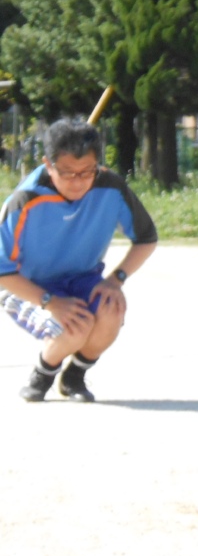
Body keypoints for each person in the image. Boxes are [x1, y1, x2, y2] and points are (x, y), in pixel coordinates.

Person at [0, 118, 157, 402]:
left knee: (111, 309)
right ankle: (42, 374)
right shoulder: (24, 199)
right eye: (67, 173)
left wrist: (116, 279)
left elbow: (146, 238)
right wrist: (50, 301)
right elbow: (3, 271)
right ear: (48, 165)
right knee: (75, 326)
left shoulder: (111, 187)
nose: (78, 182)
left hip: (82, 278)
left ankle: (74, 376)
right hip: (26, 285)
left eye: (87, 172)